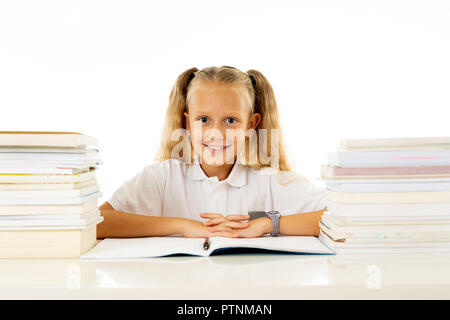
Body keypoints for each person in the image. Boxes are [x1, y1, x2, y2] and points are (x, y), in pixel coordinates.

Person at [97, 66, 327, 239]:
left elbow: (342, 217)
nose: (216, 133)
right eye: (204, 119)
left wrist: (268, 224)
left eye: (230, 120)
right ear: (187, 123)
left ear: (251, 124)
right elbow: (97, 222)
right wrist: (183, 226)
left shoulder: (270, 180)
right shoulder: (163, 177)